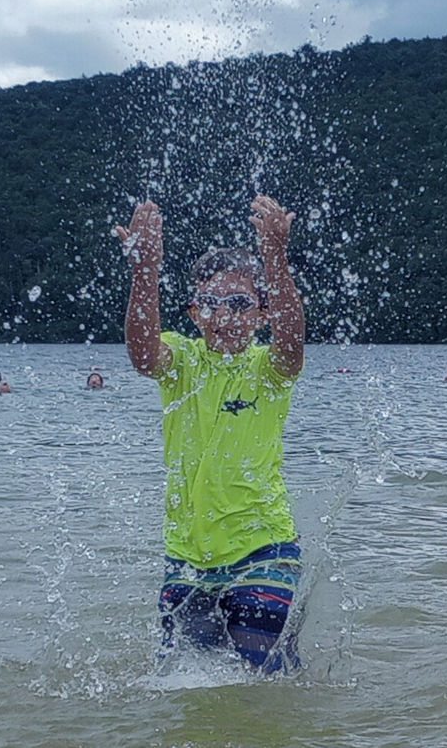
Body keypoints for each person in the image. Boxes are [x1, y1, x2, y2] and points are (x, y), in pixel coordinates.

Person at [115, 194, 304, 674]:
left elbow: (291, 344)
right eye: (211, 304)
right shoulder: (180, 360)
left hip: (264, 548)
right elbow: (142, 354)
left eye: (240, 304)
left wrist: (276, 261)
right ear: (194, 313)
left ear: (260, 312)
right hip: (186, 557)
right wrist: (144, 270)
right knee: (183, 681)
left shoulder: (267, 369)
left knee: (265, 679)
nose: (225, 317)